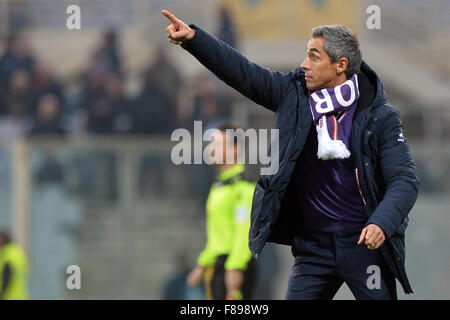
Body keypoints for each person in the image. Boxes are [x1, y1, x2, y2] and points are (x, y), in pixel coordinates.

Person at [161, 10, 419, 300]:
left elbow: (404, 181)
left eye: (313, 56)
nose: (303, 64)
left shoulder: (381, 117)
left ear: (340, 65)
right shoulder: (293, 95)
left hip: (364, 245)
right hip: (313, 250)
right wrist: (195, 39)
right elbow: (242, 71)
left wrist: (380, 223)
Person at [186, 123, 257, 300]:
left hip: (233, 264)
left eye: (217, 145)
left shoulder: (242, 188)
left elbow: (245, 231)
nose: (211, 150)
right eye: (211, 144)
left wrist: (235, 267)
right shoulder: (219, 187)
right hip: (219, 265)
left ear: (235, 149)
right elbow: (218, 235)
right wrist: (202, 265)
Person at [0, 231, 28, 300]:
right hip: (20, 295)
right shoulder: (17, 252)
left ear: (2, 241)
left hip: (9, 296)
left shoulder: (7, 255)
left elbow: (6, 278)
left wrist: (1, 294)